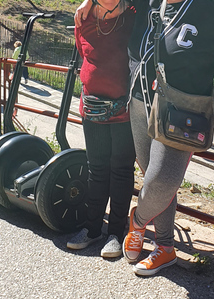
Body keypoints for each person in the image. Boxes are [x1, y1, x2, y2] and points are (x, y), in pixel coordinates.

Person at [75, 0, 214, 275]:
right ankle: (165, 248)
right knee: (151, 175)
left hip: (183, 111)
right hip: (140, 102)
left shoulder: (207, 10)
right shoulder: (146, 4)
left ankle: (137, 221)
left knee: (163, 180)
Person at [66, 0, 136, 258]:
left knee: (120, 170)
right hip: (92, 107)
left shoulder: (133, 14)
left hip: (124, 109)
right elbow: (84, 54)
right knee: (96, 169)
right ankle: (92, 228)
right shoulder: (82, 18)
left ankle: (116, 234)